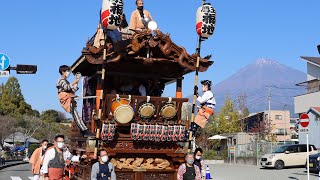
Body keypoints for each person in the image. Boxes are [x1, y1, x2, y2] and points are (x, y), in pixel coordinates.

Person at [56, 65, 94, 137]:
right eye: (67, 71)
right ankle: (84, 131)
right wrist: (74, 81)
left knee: (76, 115)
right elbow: (67, 87)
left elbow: (73, 89)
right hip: (66, 99)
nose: (68, 73)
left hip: (69, 99)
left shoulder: (66, 81)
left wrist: (77, 81)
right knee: (76, 115)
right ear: (62, 72)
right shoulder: (60, 80)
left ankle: (83, 130)